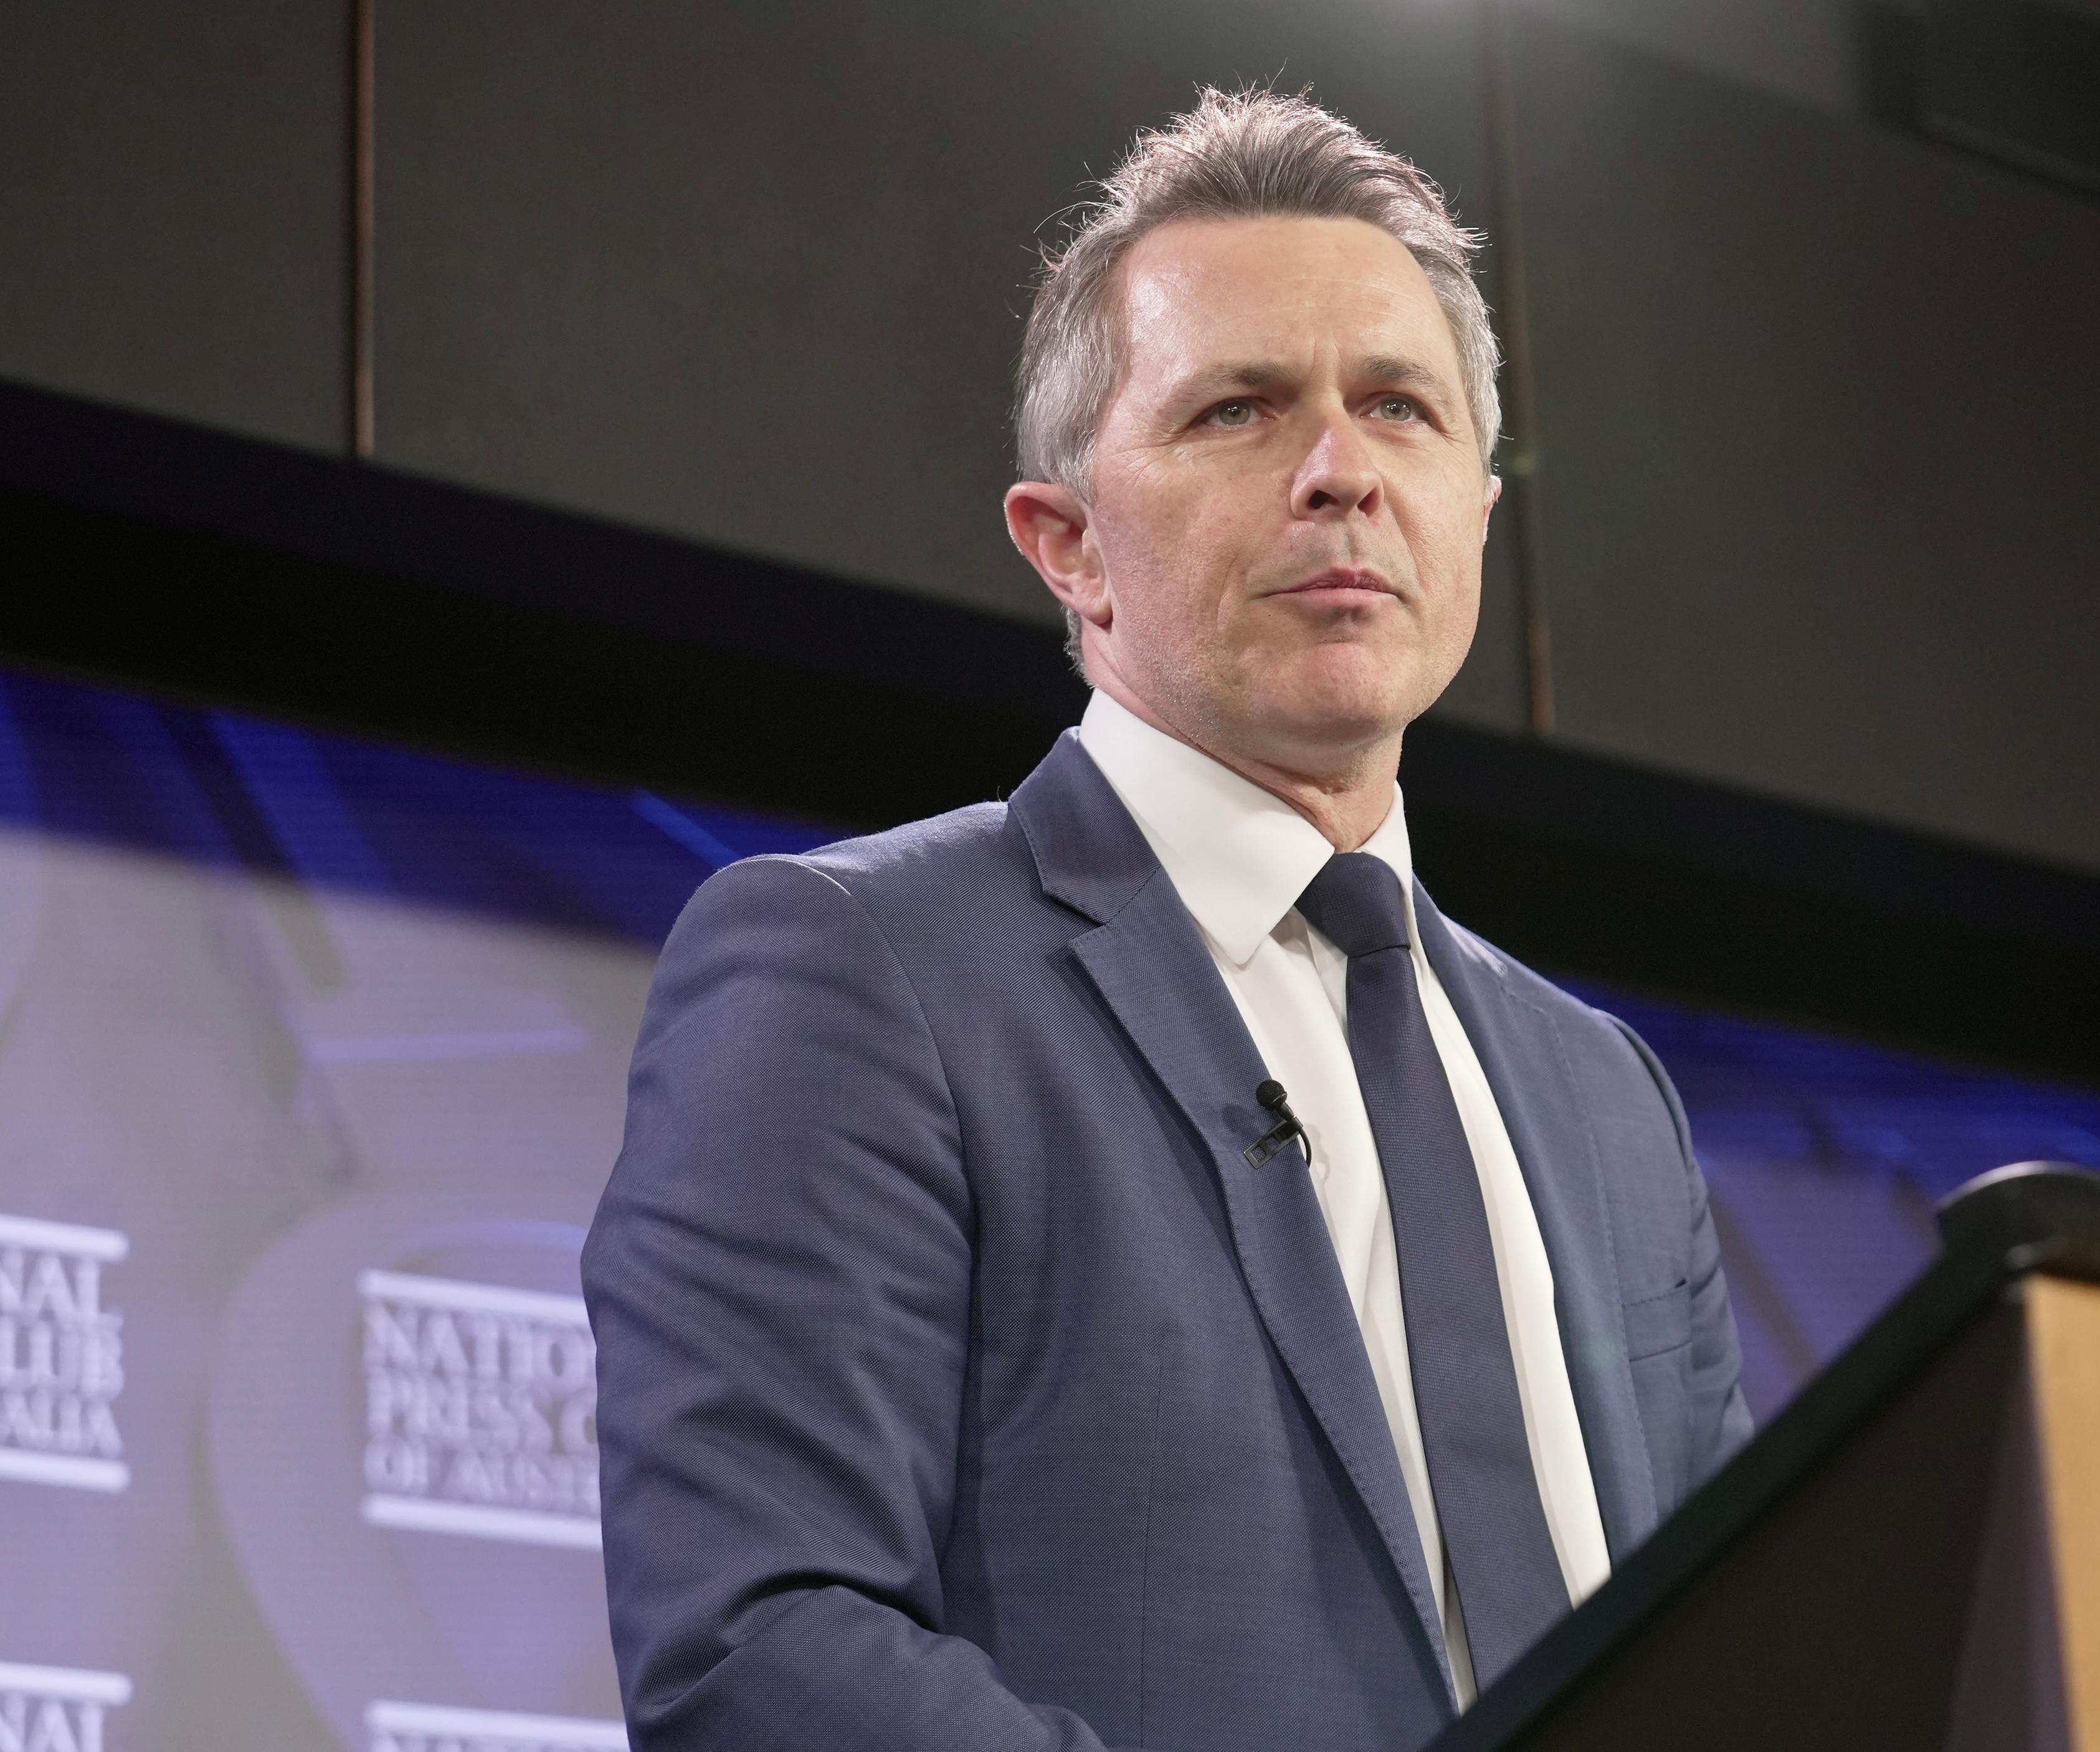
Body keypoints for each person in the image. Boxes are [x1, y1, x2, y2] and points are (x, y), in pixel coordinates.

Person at [582, 88, 1751, 1751]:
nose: (1341, 471)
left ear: (1480, 516)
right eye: (1242, 412)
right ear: (1068, 547)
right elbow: (762, 1648)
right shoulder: (860, 973)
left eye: (1402, 409)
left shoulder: (1606, 1097)